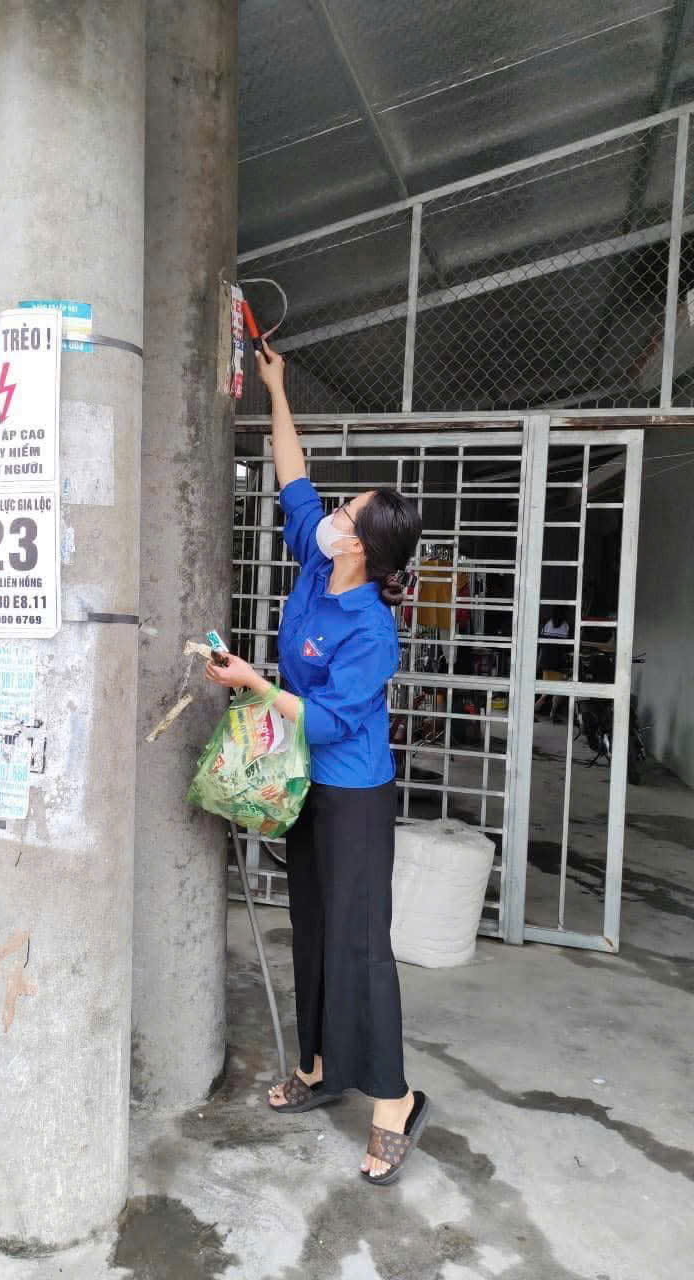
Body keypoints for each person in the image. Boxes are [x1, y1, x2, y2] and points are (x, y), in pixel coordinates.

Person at [205, 340, 431, 1186]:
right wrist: (276, 389)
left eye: (347, 513)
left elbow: (333, 722)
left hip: (353, 794)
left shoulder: (373, 629)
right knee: (312, 927)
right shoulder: (314, 558)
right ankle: (321, 1064)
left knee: (359, 941)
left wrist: (255, 685)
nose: (332, 513)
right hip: (303, 782)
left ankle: (393, 1101)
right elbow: (292, 476)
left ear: (362, 548)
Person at [534, 607, 572, 722]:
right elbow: (568, 645)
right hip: (558, 662)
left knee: (549, 690)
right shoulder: (566, 626)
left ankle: (549, 713)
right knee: (556, 690)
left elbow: (541, 642)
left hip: (545, 661)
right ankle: (548, 713)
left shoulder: (547, 623)